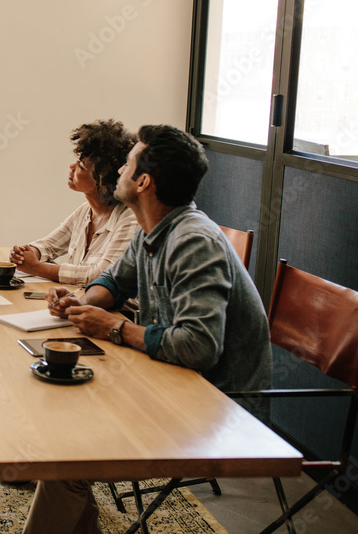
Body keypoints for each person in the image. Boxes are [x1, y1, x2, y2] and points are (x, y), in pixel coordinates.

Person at [22, 125, 272, 534]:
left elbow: (198, 346)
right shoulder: (154, 228)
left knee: (67, 456)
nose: (118, 169)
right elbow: (115, 282)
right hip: (171, 379)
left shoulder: (193, 241)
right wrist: (82, 303)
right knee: (61, 427)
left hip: (218, 406)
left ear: (143, 182)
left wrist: (117, 328)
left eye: (128, 162)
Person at [9, 119, 138, 287]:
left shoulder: (129, 218)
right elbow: (49, 245)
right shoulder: (86, 211)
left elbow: (100, 276)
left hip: (117, 312)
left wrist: (37, 268)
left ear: (102, 180)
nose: (72, 167)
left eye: (81, 166)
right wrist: (27, 253)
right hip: (81, 302)